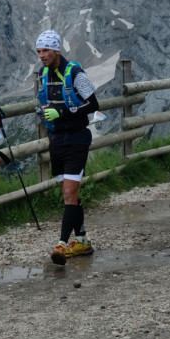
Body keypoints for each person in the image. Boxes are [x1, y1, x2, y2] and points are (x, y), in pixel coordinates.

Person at [34, 30, 101, 264]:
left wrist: (62, 112)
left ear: (56, 50)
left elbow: (93, 104)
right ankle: (82, 240)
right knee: (68, 194)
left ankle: (61, 245)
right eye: (38, 51)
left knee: (70, 194)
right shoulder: (43, 74)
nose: (41, 55)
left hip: (76, 139)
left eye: (45, 50)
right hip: (57, 140)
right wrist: (45, 113)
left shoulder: (74, 72)